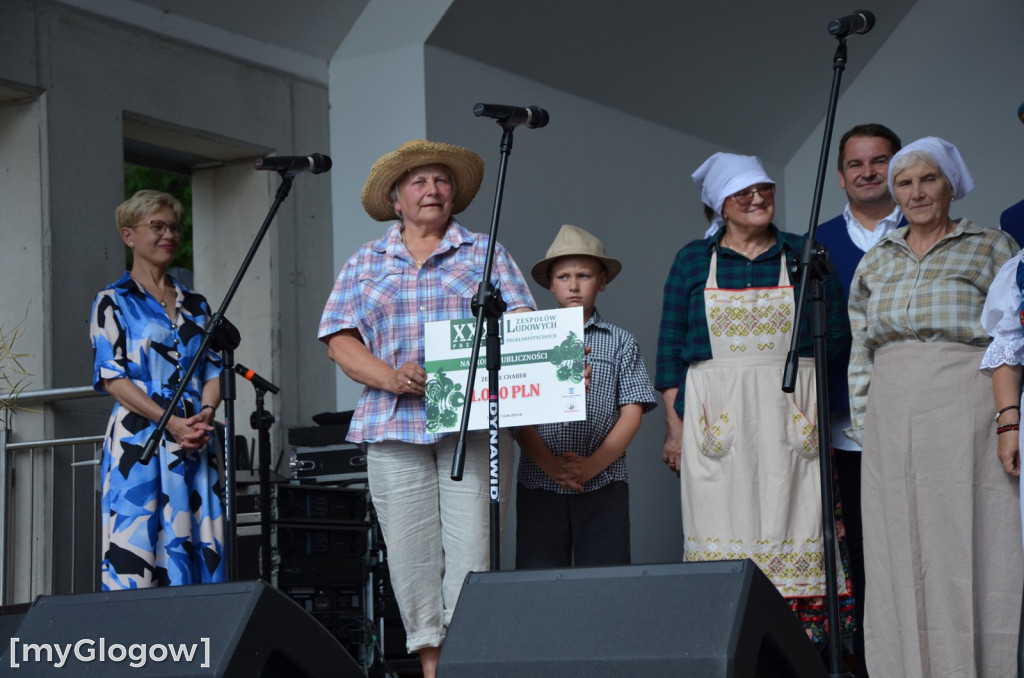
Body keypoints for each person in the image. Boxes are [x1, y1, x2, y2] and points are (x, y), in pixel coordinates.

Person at [318, 139, 535, 678]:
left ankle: (469, 663)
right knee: (411, 559)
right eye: (418, 182)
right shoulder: (367, 261)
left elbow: (528, 332)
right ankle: (435, 668)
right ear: (395, 200)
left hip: (472, 423)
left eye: (441, 181)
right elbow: (339, 340)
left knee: (474, 555)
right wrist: (391, 378)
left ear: (454, 194)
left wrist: (558, 365)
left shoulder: (486, 252)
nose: (432, 189)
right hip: (393, 426)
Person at [656, 152, 853, 644]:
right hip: (715, 418)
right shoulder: (692, 260)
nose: (757, 198)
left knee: (798, 522)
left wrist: (810, 406)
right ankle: (727, 646)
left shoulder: (803, 253)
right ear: (719, 205)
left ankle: (803, 651)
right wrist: (676, 428)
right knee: (722, 526)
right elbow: (668, 352)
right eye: (743, 192)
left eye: (763, 189)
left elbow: (837, 335)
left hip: (791, 413)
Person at [847, 136, 1023, 677]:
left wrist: (1006, 419)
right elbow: (861, 346)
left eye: (929, 179)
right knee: (895, 543)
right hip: (891, 411)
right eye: (905, 182)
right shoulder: (878, 257)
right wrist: (864, 419)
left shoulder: (992, 245)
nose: (917, 192)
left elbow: (1010, 337)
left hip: (964, 404)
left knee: (968, 536)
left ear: (951, 185)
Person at [89, 189, 225, 590]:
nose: (169, 234)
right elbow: (112, 378)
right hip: (142, 435)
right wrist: (171, 424)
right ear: (128, 235)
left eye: (174, 227)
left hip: (194, 438)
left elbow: (213, 368)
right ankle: (138, 646)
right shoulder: (111, 301)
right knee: (139, 544)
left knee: (199, 542)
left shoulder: (197, 305)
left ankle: (202, 642)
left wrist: (206, 413)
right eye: (158, 226)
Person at [514, 224, 657, 569]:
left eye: (584, 275)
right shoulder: (527, 339)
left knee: (606, 580)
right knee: (538, 582)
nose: (574, 285)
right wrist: (551, 466)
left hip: (604, 481)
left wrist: (593, 466)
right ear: (550, 283)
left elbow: (632, 411)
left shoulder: (621, 341)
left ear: (602, 281)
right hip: (539, 480)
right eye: (563, 276)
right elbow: (515, 411)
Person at [815, 122, 904, 674]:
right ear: (841, 174)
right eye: (856, 164)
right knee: (865, 551)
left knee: (923, 542)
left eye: (880, 161)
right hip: (847, 426)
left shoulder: (930, 226)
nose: (868, 172)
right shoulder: (816, 240)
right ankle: (873, 661)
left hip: (920, 414)